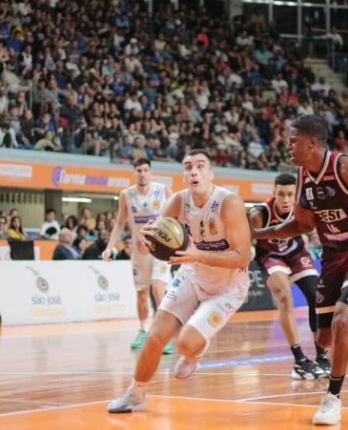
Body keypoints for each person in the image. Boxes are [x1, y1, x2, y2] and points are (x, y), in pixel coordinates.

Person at [252, 115, 348, 426]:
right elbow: (300, 225)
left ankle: (332, 398)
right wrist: (255, 234)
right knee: (324, 339)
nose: (286, 144)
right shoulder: (304, 176)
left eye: (292, 139)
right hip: (333, 255)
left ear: (312, 142)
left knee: (341, 319)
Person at [107, 149, 252, 414]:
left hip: (227, 289)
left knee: (184, 343)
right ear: (183, 175)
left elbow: (242, 257)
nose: (193, 171)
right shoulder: (177, 201)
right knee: (155, 337)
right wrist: (143, 242)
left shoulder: (229, 203)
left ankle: (195, 350)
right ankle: (135, 394)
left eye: (199, 166)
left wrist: (199, 255)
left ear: (210, 173)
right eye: (187, 167)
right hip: (191, 276)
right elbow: (151, 244)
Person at [249, 172, 329, 380]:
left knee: (317, 298)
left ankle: (322, 356)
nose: (285, 199)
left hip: (296, 254)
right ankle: (300, 360)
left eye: (289, 195)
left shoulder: (303, 208)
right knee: (285, 296)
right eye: (281, 194)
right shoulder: (260, 213)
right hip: (270, 256)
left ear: (296, 195)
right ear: (274, 193)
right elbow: (247, 240)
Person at [102, 158, 174, 354]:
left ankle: (163, 334)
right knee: (142, 293)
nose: (142, 174)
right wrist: (110, 247)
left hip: (161, 248)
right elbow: (119, 223)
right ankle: (143, 331)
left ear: (150, 172)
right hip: (138, 249)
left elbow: (178, 217)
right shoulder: (126, 194)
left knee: (158, 288)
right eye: (138, 170)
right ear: (134, 173)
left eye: (145, 170)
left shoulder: (163, 191)